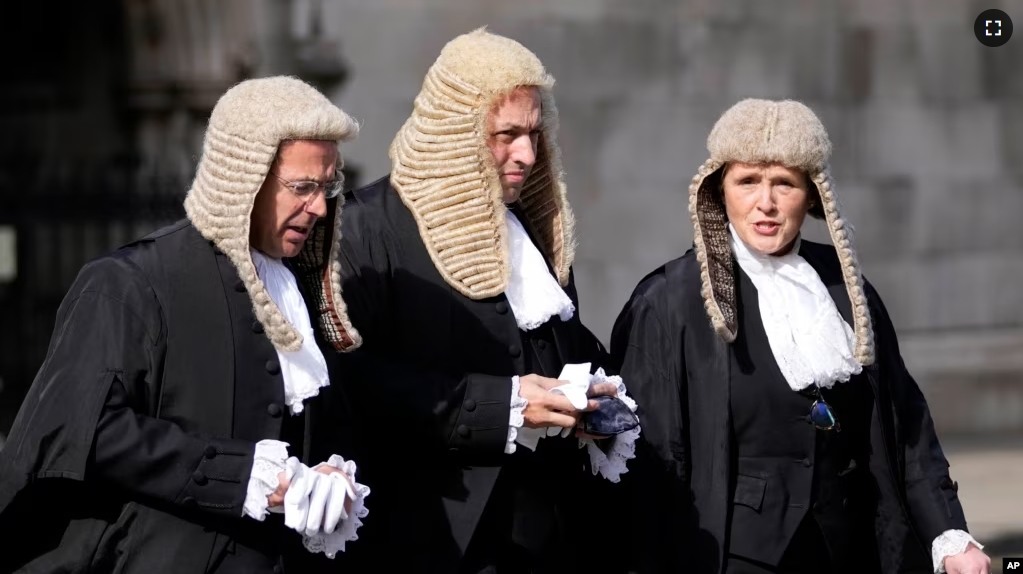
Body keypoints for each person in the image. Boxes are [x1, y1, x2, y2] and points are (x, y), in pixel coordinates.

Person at [0, 76, 370, 573]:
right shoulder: (131, 282)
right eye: (302, 187)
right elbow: (80, 430)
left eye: (327, 188)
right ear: (244, 178)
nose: (319, 207)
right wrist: (243, 477)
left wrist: (325, 474)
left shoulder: (304, 290)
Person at [611, 99, 991, 574]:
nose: (765, 203)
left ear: (812, 196)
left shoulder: (845, 286)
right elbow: (646, 466)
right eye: (747, 181)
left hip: (849, 550)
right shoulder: (668, 301)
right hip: (729, 555)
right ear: (720, 189)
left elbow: (904, 423)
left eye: (784, 184)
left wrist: (949, 535)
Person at [310, 28, 633, 573]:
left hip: (543, 538)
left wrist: (590, 400)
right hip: (426, 538)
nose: (527, 153)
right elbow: (347, 379)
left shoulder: (533, 226)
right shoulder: (363, 227)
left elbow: (556, 345)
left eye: (534, 132)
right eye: (506, 134)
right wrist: (499, 405)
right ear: (454, 130)